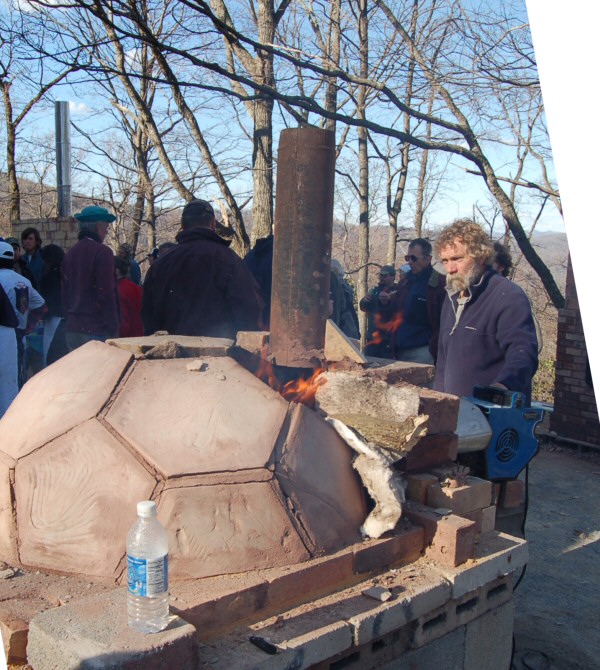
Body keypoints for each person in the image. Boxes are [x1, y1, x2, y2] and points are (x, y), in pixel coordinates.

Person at [433, 219, 538, 403]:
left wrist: (502, 388)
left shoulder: (507, 295)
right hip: (454, 414)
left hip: (494, 416)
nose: (450, 268)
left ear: (481, 256)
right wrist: (438, 401)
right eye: (445, 261)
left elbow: (523, 353)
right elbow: (443, 361)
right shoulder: (451, 298)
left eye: (457, 258)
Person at [142, 199, 262, 338]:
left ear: (182, 225)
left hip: (170, 353)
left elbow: (147, 315)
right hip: (220, 353)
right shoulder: (228, 259)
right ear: (213, 224)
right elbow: (248, 307)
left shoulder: (161, 264)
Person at [62, 205, 120, 351]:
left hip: (72, 328)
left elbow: (65, 291)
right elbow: (106, 292)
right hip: (95, 328)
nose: (106, 232)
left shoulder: (70, 253)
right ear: (96, 226)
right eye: (106, 227)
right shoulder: (102, 252)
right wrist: (113, 326)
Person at [0, 241, 45, 417]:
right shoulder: (23, 281)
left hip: (7, 335)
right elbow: (42, 306)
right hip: (16, 336)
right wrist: (27, 327)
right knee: (12, 386)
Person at [389, 238, 446, 364]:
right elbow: (394, 312)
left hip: (422, 352)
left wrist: (433, 348)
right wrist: (384, 302)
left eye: (414, 258)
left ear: (428, 259)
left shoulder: (439, 284)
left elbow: (444, 323)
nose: (410, 262)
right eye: (407, 258)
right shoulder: (404, 282)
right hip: (398, 350)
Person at [39, 244, 68, 366]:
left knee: (49, 356)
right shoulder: (67, 275)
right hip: (66, 318)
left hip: (53, 319)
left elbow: (47, 301)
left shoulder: (48, 277)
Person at [359, 264, 397, 358]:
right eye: (381, 275)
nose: (382, 278)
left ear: (392, 277)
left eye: (385, 276)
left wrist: (388, 300)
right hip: (372, 337)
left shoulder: (397, 291)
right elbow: (363, 307)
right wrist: (364, 301)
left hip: (388, 339)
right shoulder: (375, 290)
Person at [330, 260, 360, 339]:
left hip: (344, 324)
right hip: (344, 322)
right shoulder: (343, 284)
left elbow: (343, 305)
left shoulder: (340, 285)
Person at [115, 256, 144, 337]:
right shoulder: (136, 288)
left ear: (116, 271)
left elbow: (123, 322)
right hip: (139, 336)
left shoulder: (117, 291)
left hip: (124, 340)